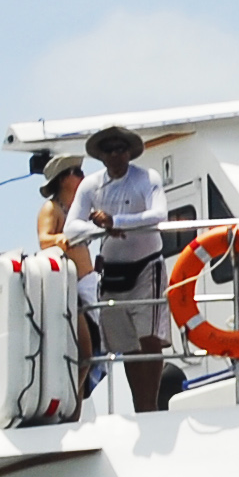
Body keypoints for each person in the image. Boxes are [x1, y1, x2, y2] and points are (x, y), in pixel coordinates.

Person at [67, 128, 173, 414]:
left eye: (121, 148)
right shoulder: (90, 186)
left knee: (150, 339)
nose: (116, 154)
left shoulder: (146, 178)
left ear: (129, 151)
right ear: (101, 156)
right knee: (128, 345)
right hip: (112, 273)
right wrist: (101, 227)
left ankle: (149, 406)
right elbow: (71, 227)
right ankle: (141, 408)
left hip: (146, 267)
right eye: (110, 149)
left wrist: (117, 222)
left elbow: (158, 214)